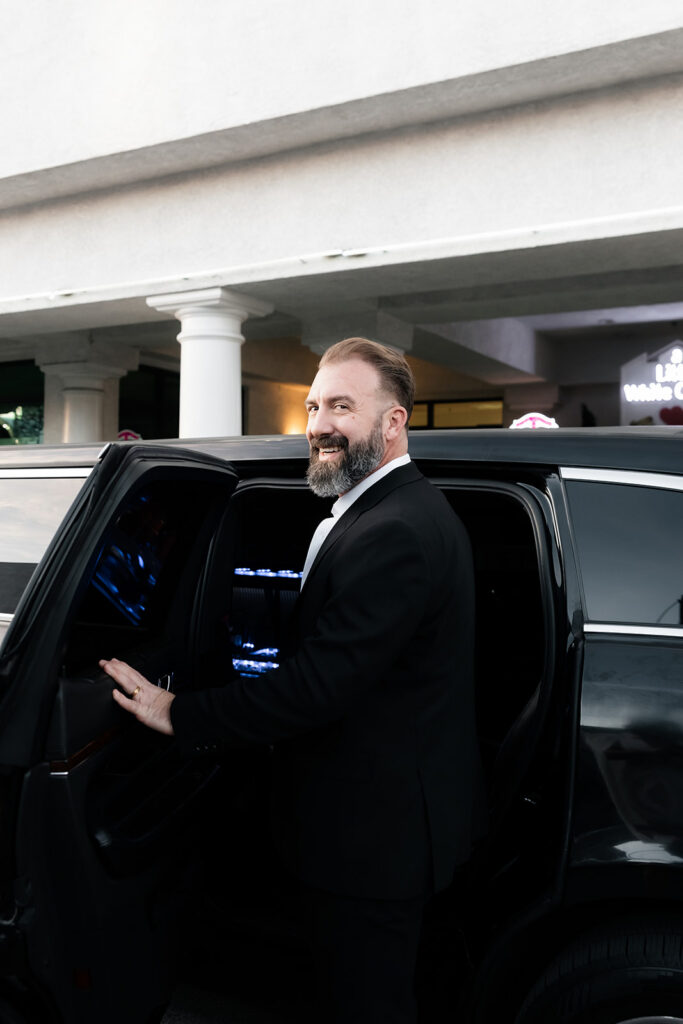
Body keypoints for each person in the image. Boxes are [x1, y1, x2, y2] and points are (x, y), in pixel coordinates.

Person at [100, 337, 484, 1024]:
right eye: (312, 406)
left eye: (341, 406)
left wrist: (179, 712)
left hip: (372, 842)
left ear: (393, 422)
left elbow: (316, 687)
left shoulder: (394, 529)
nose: (317, 425)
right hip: (376, 824)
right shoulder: (384, 513)